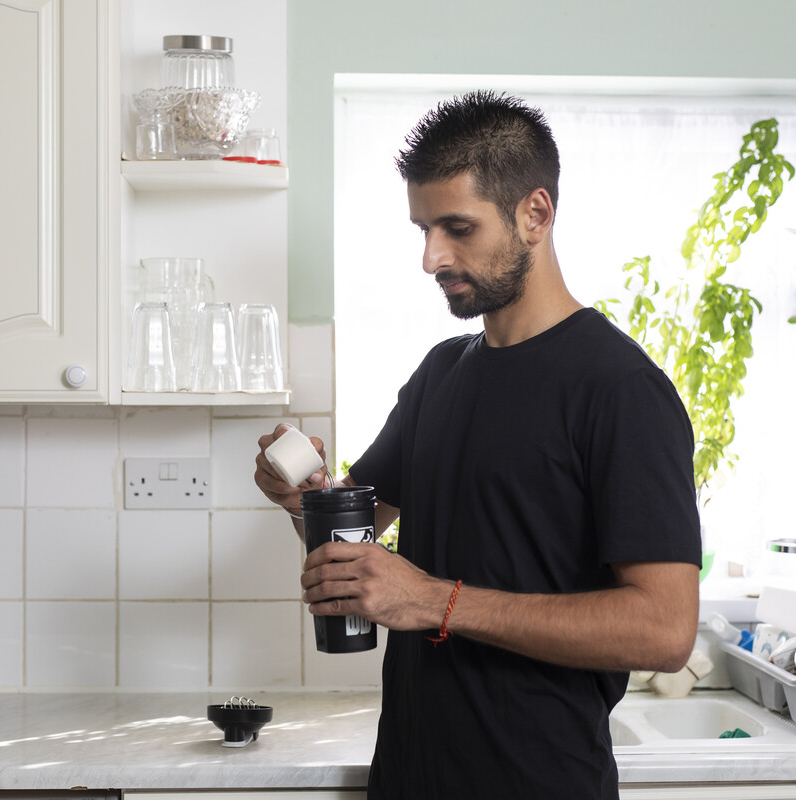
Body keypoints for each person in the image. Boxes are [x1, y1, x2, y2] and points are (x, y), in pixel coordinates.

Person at [254, 90, 701, 800]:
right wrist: (304, 501)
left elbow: (665, 628)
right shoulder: (441, 373)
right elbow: (359, 540)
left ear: (535, 213)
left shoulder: (620, 389)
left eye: (457, 227)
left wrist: (434, 601)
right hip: (408, 776)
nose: (432, 256)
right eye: (424, 228)